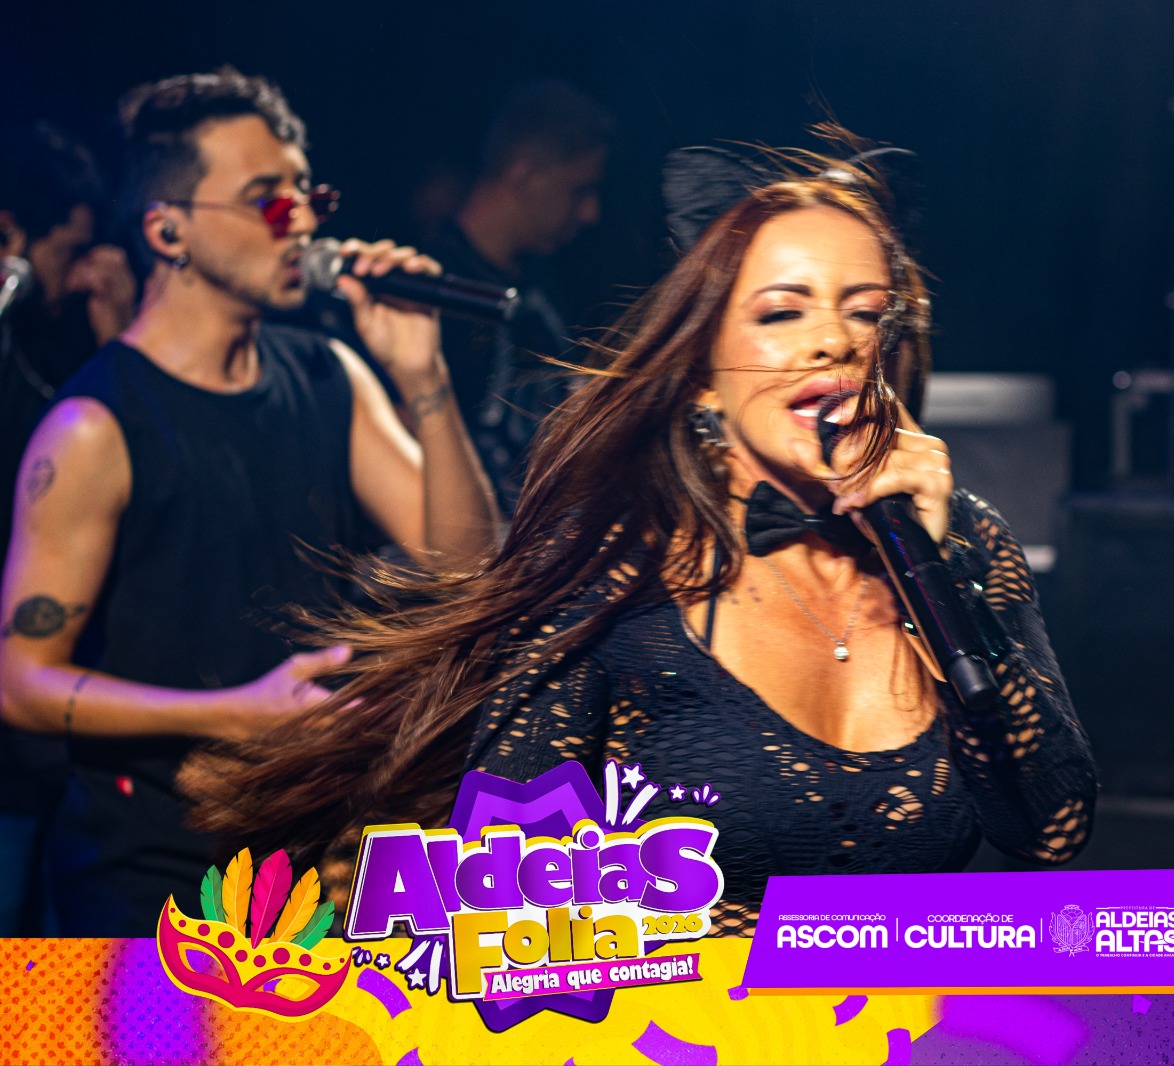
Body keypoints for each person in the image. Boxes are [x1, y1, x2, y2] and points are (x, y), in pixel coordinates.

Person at [182, 146, 1096, 934]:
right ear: (702, 378)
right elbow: (500, 911)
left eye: (865, 312)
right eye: (783, 312)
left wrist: (941, 578)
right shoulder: (615, 572)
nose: (834, 340)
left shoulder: (964, 546)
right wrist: (756, 950)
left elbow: (1051, 830)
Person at [0, 68, 499, 936]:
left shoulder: (330, 376)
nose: (302, 221)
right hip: (144, 888)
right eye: (268, 200)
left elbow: (467, 569)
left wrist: (424, 377)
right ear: (168, 229)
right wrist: (232, 715)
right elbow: (20, 682)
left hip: (305, 876)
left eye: (308, 195)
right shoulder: (94, 427)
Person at [0, 121, 138, 935]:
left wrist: (117, 329)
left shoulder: (58, 356)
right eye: (70, 251)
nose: (79, 273)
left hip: (31, 760)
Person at [421, 78, 612, 511]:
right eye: (579, 190)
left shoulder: (545, 284)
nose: (590, 212)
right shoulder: (430, 286)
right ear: (524, 174)